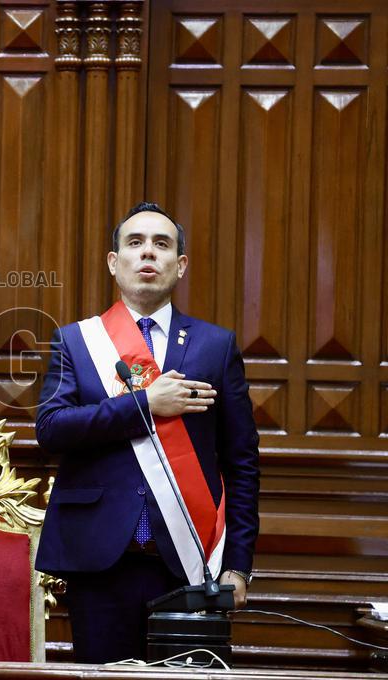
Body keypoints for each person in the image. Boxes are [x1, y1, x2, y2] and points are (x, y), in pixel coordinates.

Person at [34, 202, 260, 663]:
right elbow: (52, 429)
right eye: (134, 244)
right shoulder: (77, 342)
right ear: (114, 264)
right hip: (100, 559)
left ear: (180, 266)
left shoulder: (215, 346)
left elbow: (241, 462)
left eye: (162, 244)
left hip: (188, 558)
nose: (147, 254)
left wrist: (237, 563)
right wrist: (144, 406)